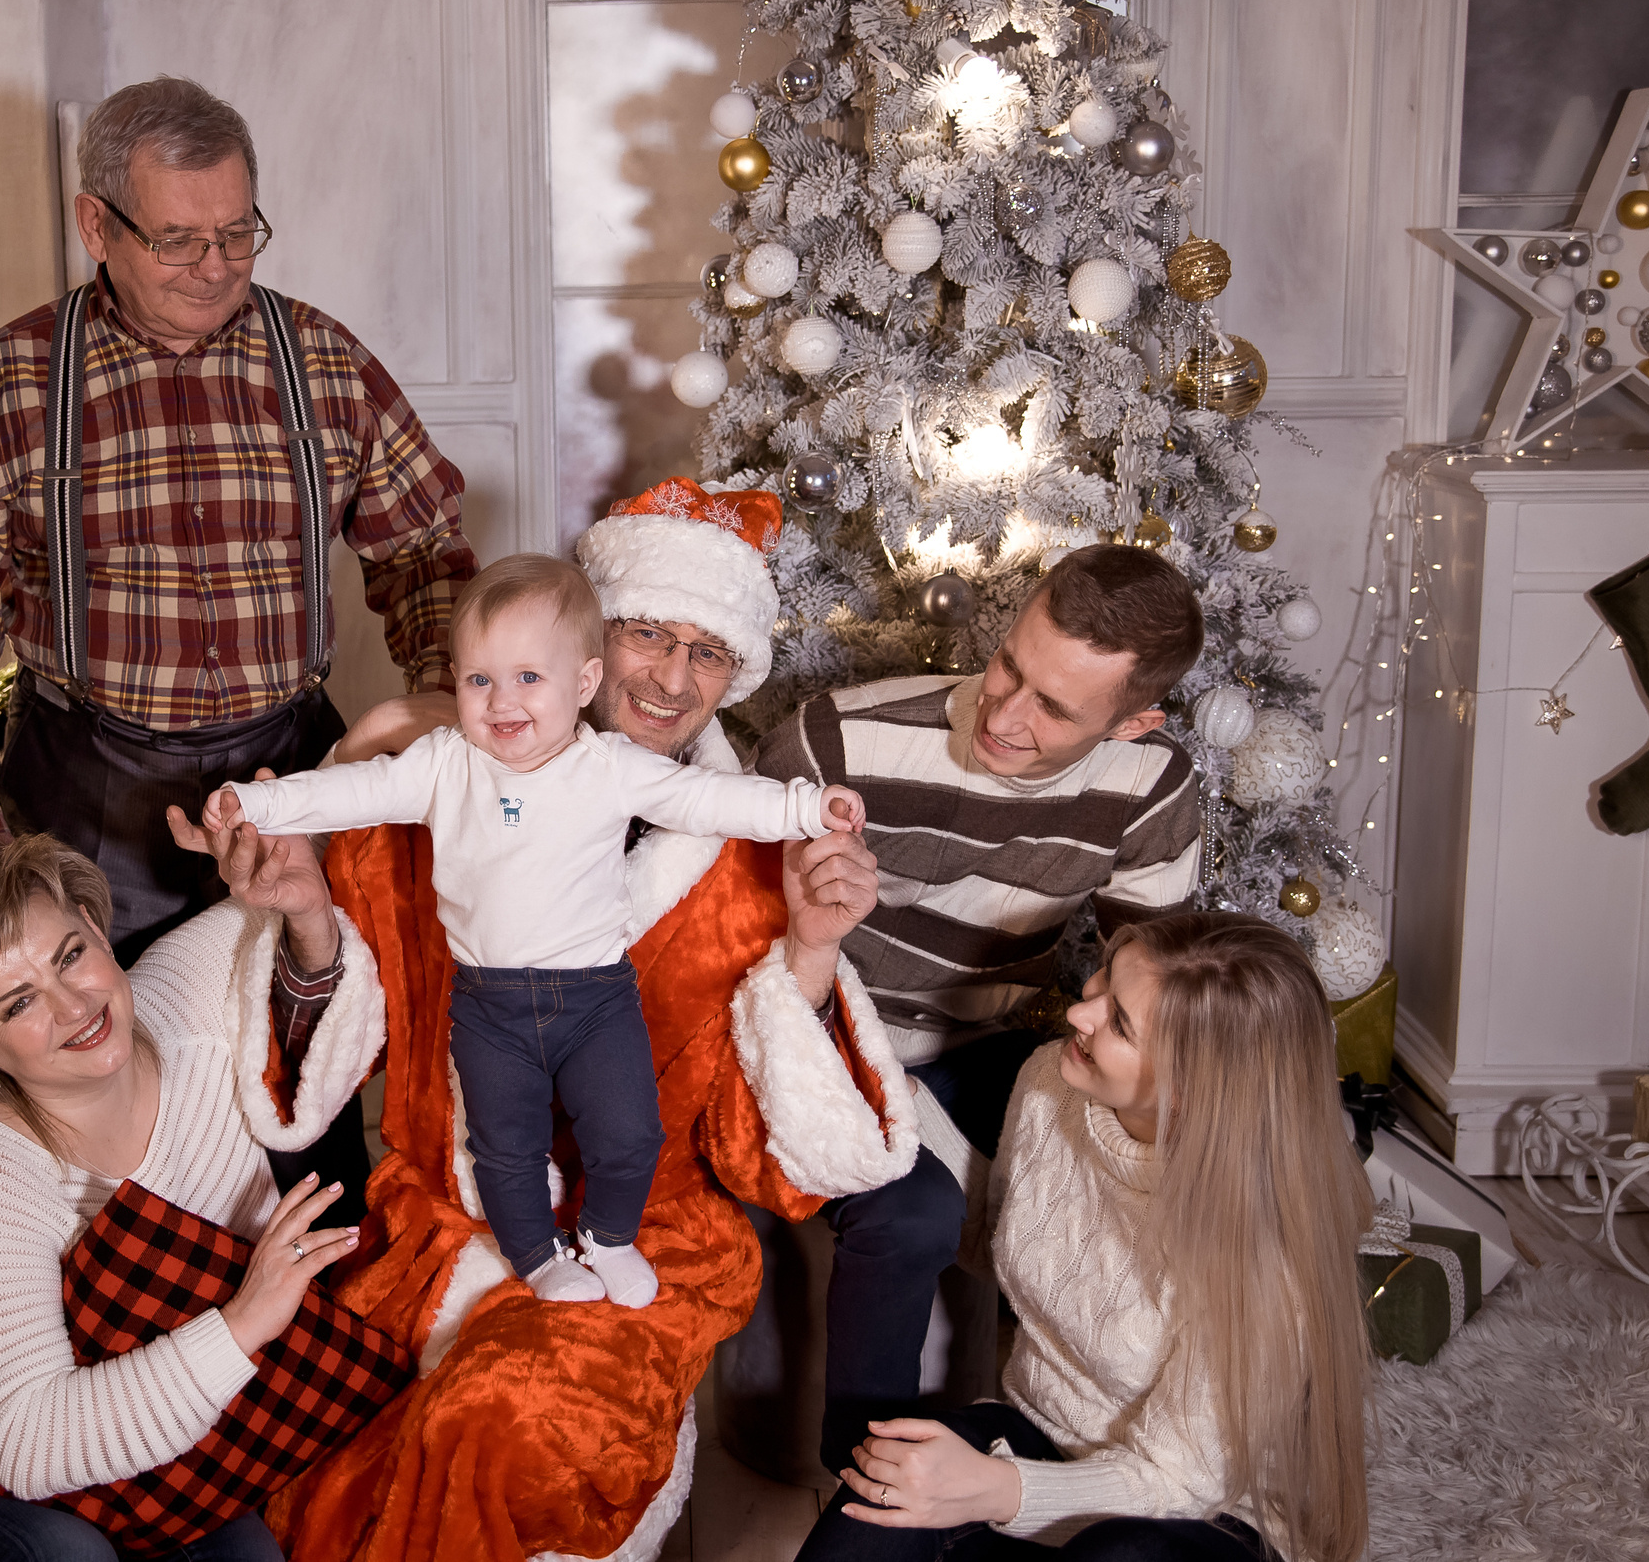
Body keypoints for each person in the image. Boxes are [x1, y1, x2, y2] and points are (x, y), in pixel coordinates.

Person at [168, 477, 922, 1562]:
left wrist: (808, 947)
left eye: (706, 652)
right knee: (309, 1447)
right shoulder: (423, 798)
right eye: (646, 633)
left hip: (647, 1241)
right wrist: (304, 912)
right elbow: (319, 1072)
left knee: (509, 1423)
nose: (669, 678)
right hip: (441, 1227)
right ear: (583, 643)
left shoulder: (748, 866)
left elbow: (780, 1167)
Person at [0, 74, 476, 1214]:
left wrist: (436, 716)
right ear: (95, 225)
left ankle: (332, 1343)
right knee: (120, 1122)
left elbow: (427, 560)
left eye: (237, 233)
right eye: (178, 239)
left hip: (292, 772)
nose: (216, 266)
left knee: (312, 1069)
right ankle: (156, 1368)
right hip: (89, 793)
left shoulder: (321, 361)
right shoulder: (11, 381)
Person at [210, 553, 862, 1308]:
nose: (500, 701)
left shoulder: (608, 766)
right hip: (489, 1007)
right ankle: (536, 1254)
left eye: (528, 678)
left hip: (597, 998)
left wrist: (808, 811)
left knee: (629, 1132)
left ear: (582, 684)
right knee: (505, 1149)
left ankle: (608, 1237)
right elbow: (352, 790)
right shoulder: (445, 763)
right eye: (479, 679)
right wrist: (257, 807)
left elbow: (713, 799)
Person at [754, 543, 1206, 1473]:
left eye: (1054, 706)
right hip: (818, 1025)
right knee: (912, 1213)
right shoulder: (838, 738)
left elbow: (1153, 994)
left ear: (1134, 722)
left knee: (1120, 1171)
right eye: (1010, 664)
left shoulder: (1149, 784)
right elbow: (730, 958)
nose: (1003, 714)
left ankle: (1082, 1448)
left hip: (996, 1042)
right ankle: (866, 1493)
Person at [0, 825, 368, 1562]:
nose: (73, 1004)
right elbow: (26, 1444)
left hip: (148, 1450)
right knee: (68, 1557)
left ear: (92, 926)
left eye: (70, 955)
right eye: (18, 1002)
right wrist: (246, 1321)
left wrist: (309, 917)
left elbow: (334, 976)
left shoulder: (192, 984)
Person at [795, 911, 1374, 1562]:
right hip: (1036, 1433)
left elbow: (1178, 1478)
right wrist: (901, 1106)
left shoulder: (1262, 1258)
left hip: (1198, 1513)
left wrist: (996, 1490)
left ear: (1191, 1088)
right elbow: (1003, 1236)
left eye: (1120, 1022)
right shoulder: (1052, 1083)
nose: (1081, 1012)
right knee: (878, 1496)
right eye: (1102, 979)